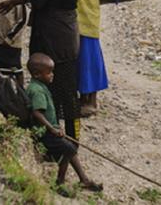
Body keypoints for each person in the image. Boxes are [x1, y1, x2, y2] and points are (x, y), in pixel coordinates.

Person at [0, 0, 83, 141]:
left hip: (52, 33)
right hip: (68, 30)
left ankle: (49, 137)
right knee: (68, 89)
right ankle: (72, 139)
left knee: (46, 85)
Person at [26, 53, 103, 195]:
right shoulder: (37, 91)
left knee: (70, 147)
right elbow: (37, 113)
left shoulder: (40, 86)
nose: (52, 75)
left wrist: (56, 127)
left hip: (50, 130)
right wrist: (52, 129)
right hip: (44, 133)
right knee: (68, 150)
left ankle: (84, 180)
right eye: (49, 73)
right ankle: (59, 183)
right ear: (37, 74)